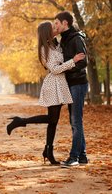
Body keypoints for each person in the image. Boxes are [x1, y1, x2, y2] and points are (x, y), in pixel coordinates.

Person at [6, 21, 85, 165]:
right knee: (51, 119)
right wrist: (73, 61)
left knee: (53, 121)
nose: (56, 29)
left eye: (55, 27)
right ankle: (20, 121)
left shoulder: (56, 44)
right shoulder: (44, 49)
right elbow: (54, 69)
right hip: (52, 85)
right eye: (53, 28)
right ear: (47, 32)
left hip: (60, 85)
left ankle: (48, 151)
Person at [54, 11, 89, 167]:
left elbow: (83, 62)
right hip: (71, 84)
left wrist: (65, 68)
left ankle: (74, 157)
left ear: (65, 23)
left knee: (76, 121)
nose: (55, 26)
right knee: (74, 121)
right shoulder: (64, 40)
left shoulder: (76, 38)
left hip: (78, 83)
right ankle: (82, 156)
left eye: (56, 23)